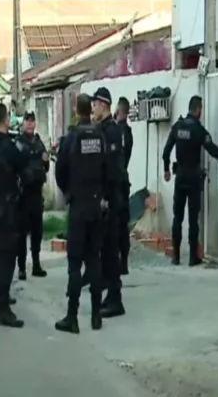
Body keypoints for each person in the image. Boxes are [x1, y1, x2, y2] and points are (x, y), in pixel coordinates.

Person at [54, 93, 109, 333]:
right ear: (91, 110)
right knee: (93, 261)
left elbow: (60, 170)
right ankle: (96, 316)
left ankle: (72, 317)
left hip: (78, 207)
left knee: (75, 263)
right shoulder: (100, 136)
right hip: (96, 206)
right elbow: (107, 168)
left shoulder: (72, 138)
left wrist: (67, 192)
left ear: (77, 111)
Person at [162, 95, 218, 266]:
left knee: (177, 217)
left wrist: (166, 169)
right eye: (200, 110)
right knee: (193, 219)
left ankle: (176, 257)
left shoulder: (177, 127)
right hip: (193, 178)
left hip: (180, 177)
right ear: (197, 110)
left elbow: (166, 152)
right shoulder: (198, 130)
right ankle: (192, 258)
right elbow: (212, 150)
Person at [0, 103, 25, 328]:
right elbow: (23, 167)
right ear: (6, 120)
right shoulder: (9, 146)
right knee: (7, 259)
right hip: (7, 207)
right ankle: (2, 308)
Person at [91, 87, 127, 319]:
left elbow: (112, 170)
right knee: (105, 250)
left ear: (103, 105)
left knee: (111, 250)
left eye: (95, 104)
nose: (93, 108)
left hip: (113, 198)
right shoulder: (101, 129)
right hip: (104, 198)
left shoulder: (112, 132)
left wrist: (105, 197)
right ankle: (109, 295)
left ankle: (115, 299)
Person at [14, 110, 49, 280]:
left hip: (36, 193)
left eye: (32, 121)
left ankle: (36, 264)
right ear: (23, 124)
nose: (29, 124)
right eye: (27, 121)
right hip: (23, 194)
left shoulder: (38, 142)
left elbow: (45, 164)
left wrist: (45, 158)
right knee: (21, 233)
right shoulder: (18, 142)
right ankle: (21, 267)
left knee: (37, 232)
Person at [116, 97, 134, 274]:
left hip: (117, 183)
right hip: (124, 180)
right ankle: (124, 263)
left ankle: (118, 262)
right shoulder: (128, 133)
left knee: (116, 224)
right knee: (123, 224)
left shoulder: (117, 132)